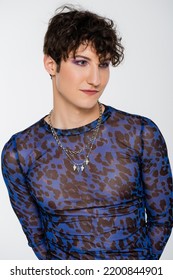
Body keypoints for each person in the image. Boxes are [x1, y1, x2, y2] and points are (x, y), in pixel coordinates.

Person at [1, 5, 173, 260]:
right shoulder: (19, 152)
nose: (96, 78)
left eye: (103, 64)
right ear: (51, 64)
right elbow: (37, 240)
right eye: (81, 62)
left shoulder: (139, 133)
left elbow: (163, 220)